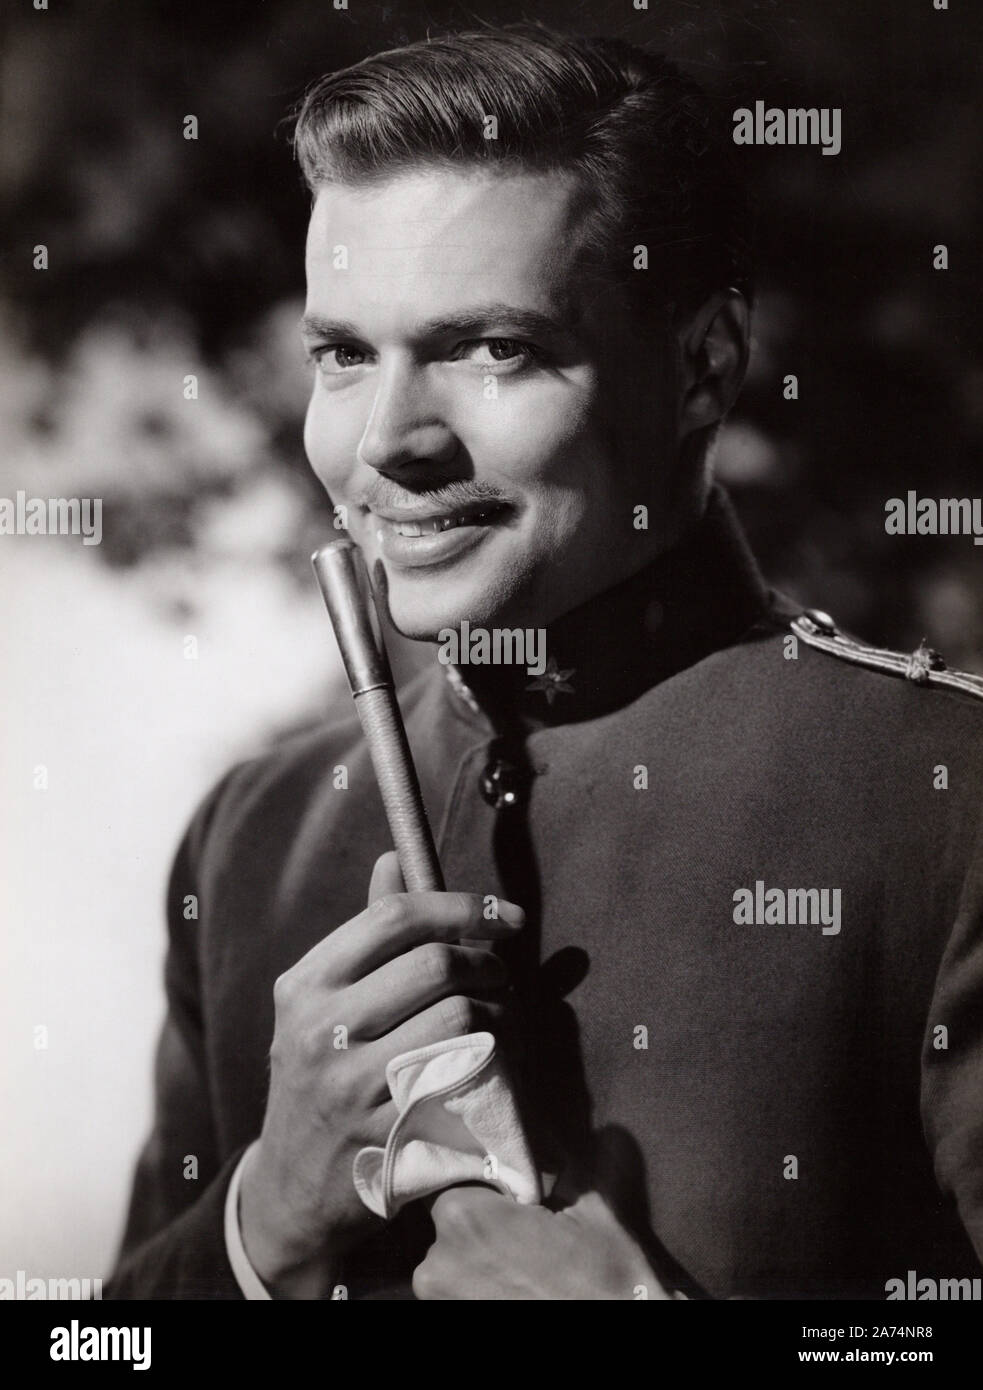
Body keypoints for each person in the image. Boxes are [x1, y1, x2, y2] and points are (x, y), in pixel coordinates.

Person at [107, 24, 983, 1301]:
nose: (388, 440)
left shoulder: (942, 802)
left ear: (702, 366)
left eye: (491, 347)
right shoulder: (253, 835)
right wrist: (261, 1225)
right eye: (343, 354)